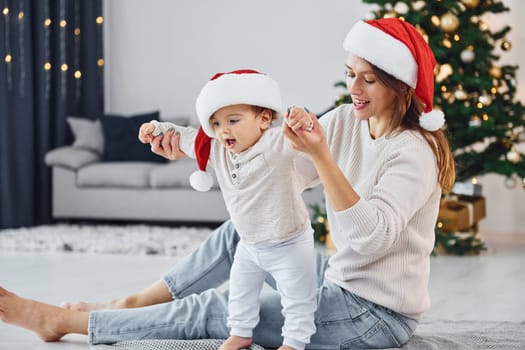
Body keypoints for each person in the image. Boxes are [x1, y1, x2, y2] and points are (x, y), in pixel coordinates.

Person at [0, 18, 455, 349]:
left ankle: (65, 322)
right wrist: (185, 144)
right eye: (351, 72)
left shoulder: (412, 152)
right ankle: (129, 302)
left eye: (368, 79)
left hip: (375, 315)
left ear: (400, 87)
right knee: (247, 232)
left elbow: (369, 238)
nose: (353, 87)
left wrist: (320, 155)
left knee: (225, 311)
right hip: (339, 278)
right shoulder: (350, 121)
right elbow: (271, 165)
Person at [138, 69, 318, 350]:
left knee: (298, 299)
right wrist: (157, 130)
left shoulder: (275, 143)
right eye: (217, 123)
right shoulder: (218, 151)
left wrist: (301, 120)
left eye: (233, 121)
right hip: (250, 244)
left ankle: (294, 342)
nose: (224, 130)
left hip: (290, 243)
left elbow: (303, 135)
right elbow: (186, 137)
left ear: (264, 119)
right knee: (240, 293)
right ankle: (240, 333)